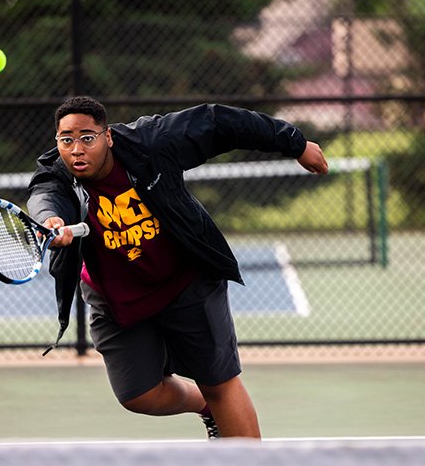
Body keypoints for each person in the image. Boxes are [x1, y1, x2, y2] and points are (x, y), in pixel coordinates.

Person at [27, 96, 328, 440]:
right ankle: (206, 405)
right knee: (138, 394)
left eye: (87, 137)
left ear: (107, 136)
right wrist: (49, 220)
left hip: (184, 280)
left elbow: (218, 121)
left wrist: (295, 143)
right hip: (116, 297)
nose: (76, 149)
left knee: (219, 382)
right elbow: (46, 197)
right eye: (66, 139)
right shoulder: (57, 175)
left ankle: (223, 414)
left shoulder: (151, 142)